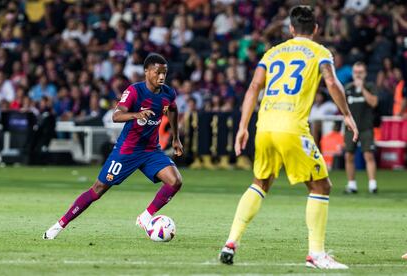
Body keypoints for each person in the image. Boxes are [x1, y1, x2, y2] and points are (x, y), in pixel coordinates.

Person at [218, 6, 358, 269]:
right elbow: (331, 82)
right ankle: (316, 254)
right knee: (321, 186)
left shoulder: (272, 52)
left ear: (291, 29)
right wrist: (347, 114)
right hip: (292, 127)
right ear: (315, 29)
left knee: (260, 182)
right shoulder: (320, 52)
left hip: (265, 126)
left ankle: (230, 242)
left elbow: (253, 88)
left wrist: (242, 126)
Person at [43, 53, 184, 239]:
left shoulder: (168, 93)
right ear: (147, 72)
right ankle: (59, 226)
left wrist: (176, 138)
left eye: (164, 73)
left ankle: (146, 216)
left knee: (175, 181)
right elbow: (116, 116)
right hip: (126, 151)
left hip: (151, 151)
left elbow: (172, 109)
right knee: (98, 189)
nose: (161, 77)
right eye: (158, 72)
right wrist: (136, 115)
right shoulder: (135, 91)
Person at [343, 62, 378, 194]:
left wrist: (362, 88)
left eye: (360, 72)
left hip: (366, 127)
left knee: (368, 154)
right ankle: (352, 185)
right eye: (356, 72)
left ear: (365, 73)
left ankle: (372, 184)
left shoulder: (370, 86)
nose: (358, 74)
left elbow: (374, 103)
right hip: (351, 128)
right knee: (349, 155)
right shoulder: (347, 88)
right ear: (352, 73)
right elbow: (342, 107)